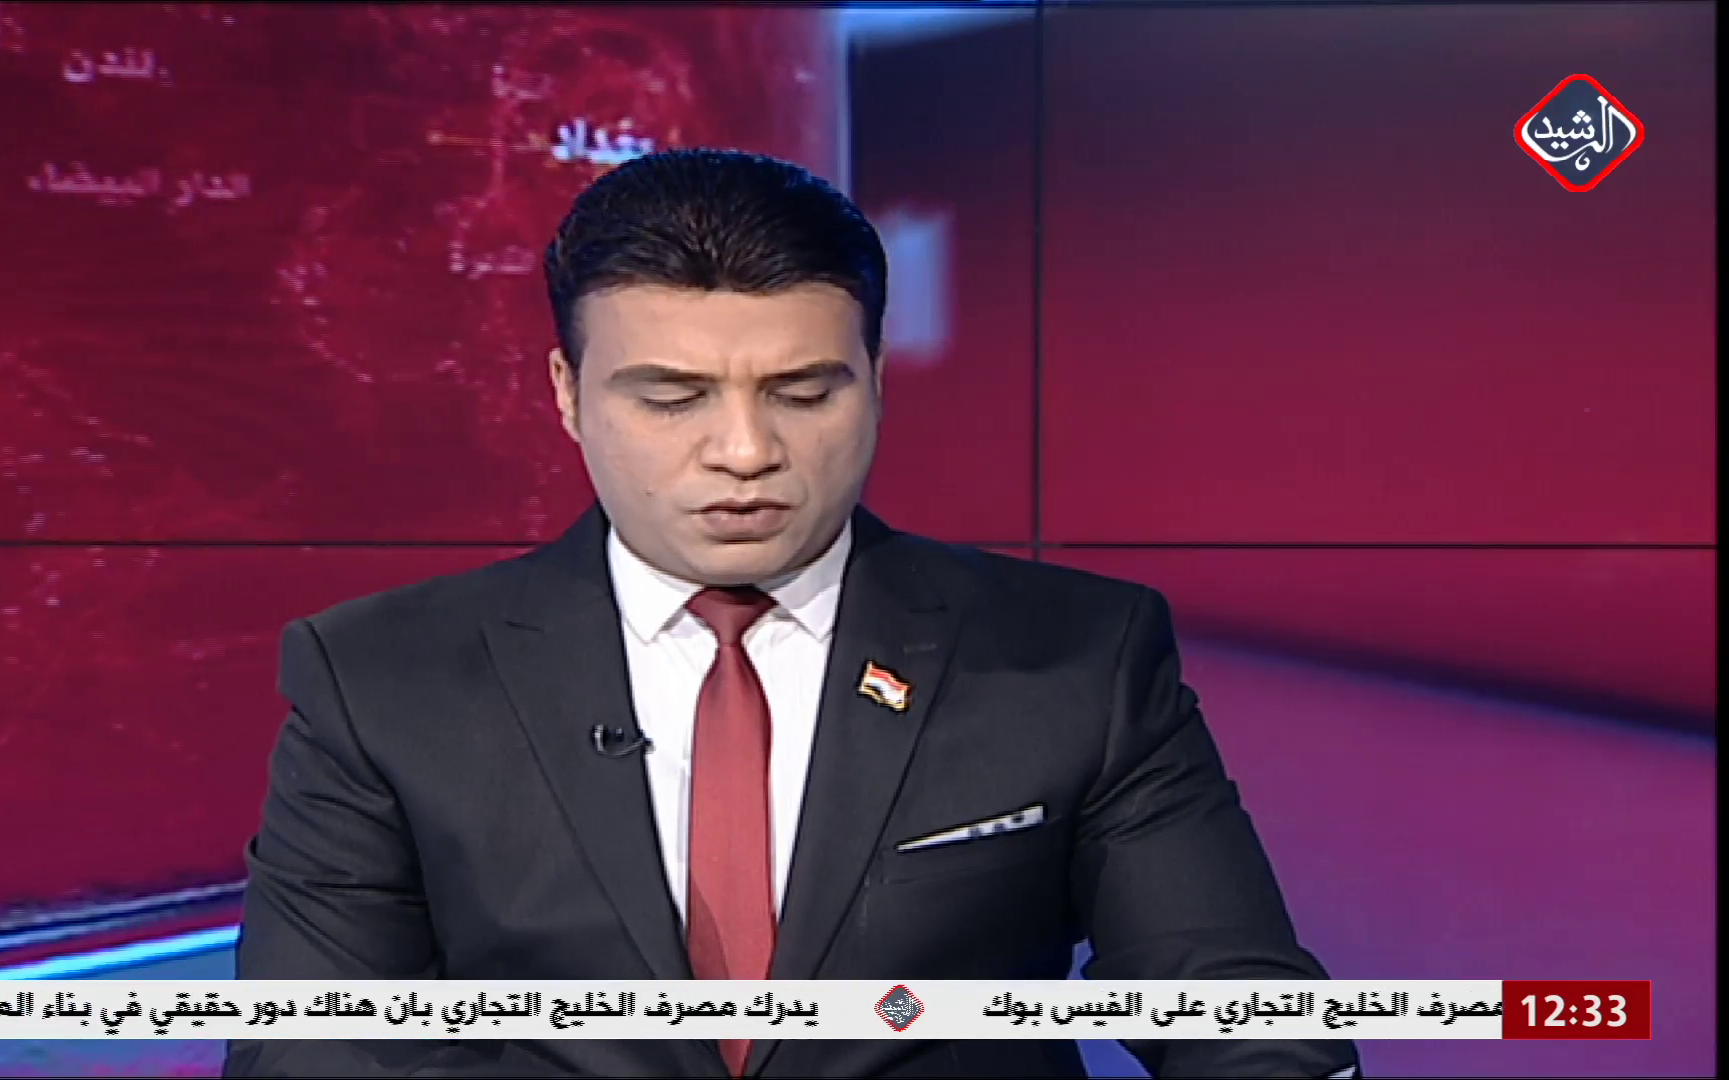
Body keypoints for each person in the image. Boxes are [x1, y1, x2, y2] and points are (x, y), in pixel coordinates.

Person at [224, 149, 1360, 1079]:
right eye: (671, 398)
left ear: (877, 380)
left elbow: (1237, 1010)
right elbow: (312, 1051)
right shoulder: (378, 679)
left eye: (804, 392)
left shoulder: (1079, 657)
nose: (744, 451)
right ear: (566, 395)